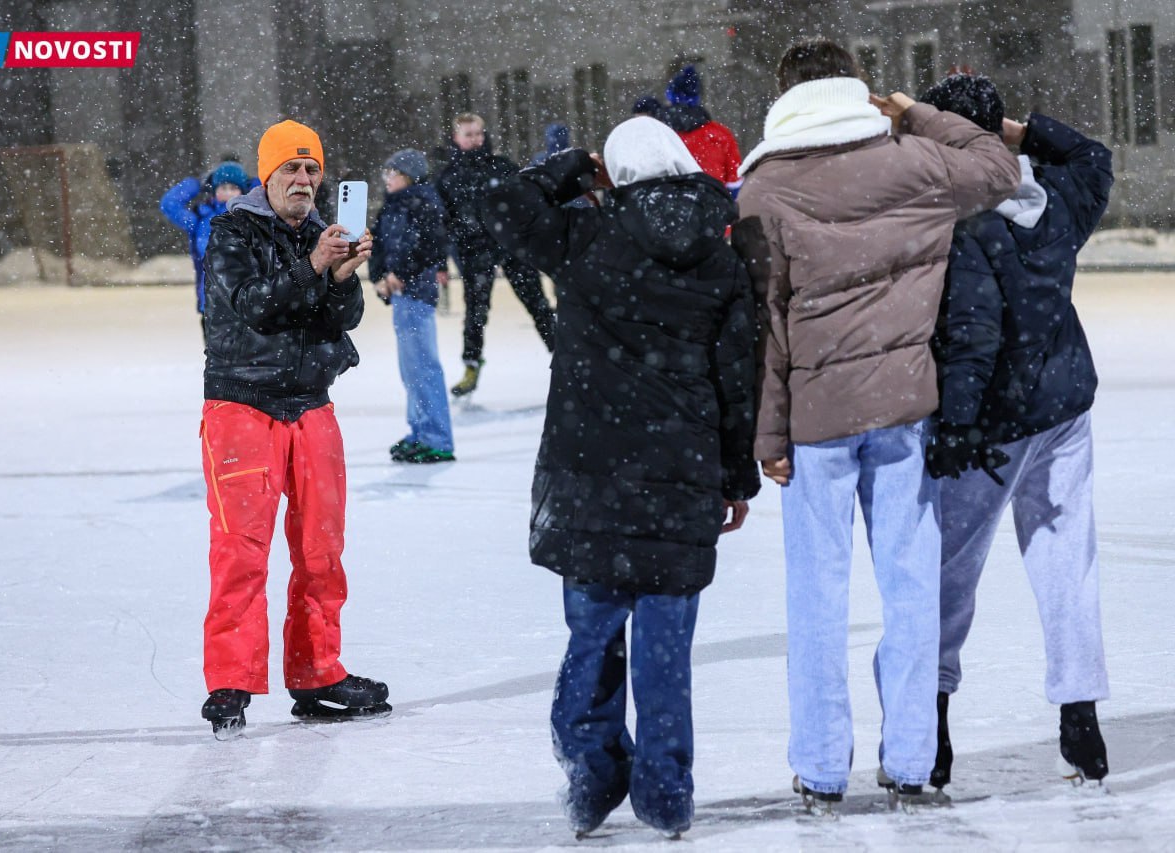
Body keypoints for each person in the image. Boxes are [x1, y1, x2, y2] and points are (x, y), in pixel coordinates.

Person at [731, 38, 1020, 810]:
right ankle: (912, 758)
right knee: (911, 587)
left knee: (817, 600)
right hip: (903, 406)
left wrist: (769, 436)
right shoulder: (914, 161)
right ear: (858, 90)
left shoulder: (763, 188)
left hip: (817, 425)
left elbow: (769, 327)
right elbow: (999, 166)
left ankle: (823, 768)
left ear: (785, 94)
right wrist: (918, 113)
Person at [485, 117, 759, 839]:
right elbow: (737, 380)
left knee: (593, 637)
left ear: (614, 174)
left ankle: (596, 766)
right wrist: (736, 476)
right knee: (665, 651)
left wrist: (569, 165)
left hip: (591, 476)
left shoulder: (587, 244)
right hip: (682, 474)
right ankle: (667, 792)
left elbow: (503, 205)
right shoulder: (721, 260)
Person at [919, 73, 1114, 791]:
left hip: (993, 428)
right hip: (1063, 407)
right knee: (1068, 562)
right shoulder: (1056, 203)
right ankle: (1080, 713)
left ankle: (931, 721)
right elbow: (1094, 157)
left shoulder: (963, 218)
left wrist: (957, 427)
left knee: (951, 572)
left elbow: (973, 335)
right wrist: (1023, 132)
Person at [197, 119, 388, 736]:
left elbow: (345, 318)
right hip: (242, 406)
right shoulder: (232, 231)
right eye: (291, 170)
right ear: (267, 175)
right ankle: (231, 682)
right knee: (240, 550)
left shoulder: (321, 235)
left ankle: (317, 674)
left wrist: (339, 276)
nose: (303, 180)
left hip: (309, 403)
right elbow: (253, 304)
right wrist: (311, 266)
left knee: (321, 551)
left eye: (311, 170)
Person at [434, 113, 556, 396]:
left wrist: (532, 239)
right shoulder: (448, 177)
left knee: (537, 304)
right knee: (475, 314)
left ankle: (562, 354)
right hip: (474, 253)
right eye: (468, 134)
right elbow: (440, 222)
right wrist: (442, 260)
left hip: (513, 248)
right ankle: (471, 366)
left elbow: (527, 204)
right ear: (456, 138)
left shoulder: (502, 167)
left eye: (478, 133)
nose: (475, 139)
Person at [370, 148, 456, 464]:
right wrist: (380, 276)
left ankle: (437, 438)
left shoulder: (424, 201)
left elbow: (429, 245)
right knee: (411, 370)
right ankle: (419, 431)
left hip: (417, 292)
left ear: (407, 175)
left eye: (392, 173)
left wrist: (400, 274)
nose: (387, 179)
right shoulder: (391, 205)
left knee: (423, 367)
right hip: (401, 296)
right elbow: (378, 243)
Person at [160, 160, 252, 342]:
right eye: (222, 188)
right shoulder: (200, 218)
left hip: (247, 300)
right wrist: (195, 185)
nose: (227, 193)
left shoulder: (253, 217)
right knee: (216, 359)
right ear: (213, 190)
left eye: (233, 188)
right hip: (211, 301)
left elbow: (267, 192)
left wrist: (254, 183)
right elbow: (169, 204)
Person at [656, 66, 744, 197]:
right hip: (713, 204)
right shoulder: (719, 134)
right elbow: (734, 181)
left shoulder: (659, 134)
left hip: (670, 205)